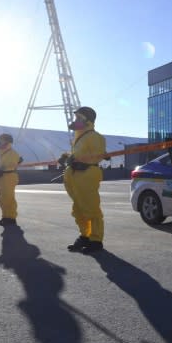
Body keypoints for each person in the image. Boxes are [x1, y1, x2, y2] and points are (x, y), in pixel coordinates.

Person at [64, 107, 107, 254]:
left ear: (88, 120)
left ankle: (96, 240)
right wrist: (67, 156)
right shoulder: (79, 136)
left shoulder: (95, 137)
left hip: (87, 175)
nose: (75, 121)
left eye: (79, 118)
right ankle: (85, 236)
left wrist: (76, 158)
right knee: (79, 209)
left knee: (91, 209)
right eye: (75, 117)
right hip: (75, 175)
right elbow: (79, 154)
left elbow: (97, 156)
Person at [0, 133, 20, 226]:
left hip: (8, 178)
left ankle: (11, 218)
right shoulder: (2, 153)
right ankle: (5, 217)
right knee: (2, 199)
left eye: (1, 140)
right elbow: (1, 166)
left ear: (7, 141)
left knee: (8, 198)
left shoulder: (13, 153)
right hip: (2, 178)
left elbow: (11, 167)